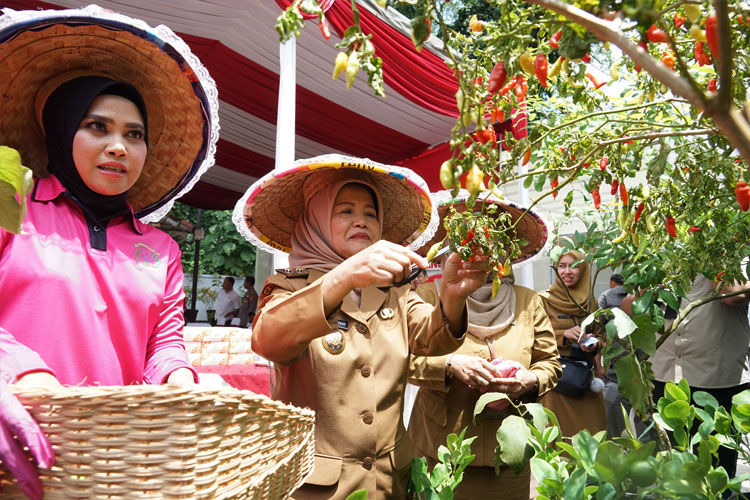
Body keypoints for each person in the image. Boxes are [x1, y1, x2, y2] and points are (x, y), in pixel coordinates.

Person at [0, 6, 219, 498]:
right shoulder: (11, 209)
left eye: (133, 134)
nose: (119, 146)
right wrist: (16, 370)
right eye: (98, 127)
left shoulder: (160, 249)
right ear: (59, 130)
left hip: (113, 463)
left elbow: (162, 347)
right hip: (12, 451)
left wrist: (185, 381)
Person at [233, 155, 489, 499]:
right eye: (345, 211)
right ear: (316, 221)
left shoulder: (393, 290)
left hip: (388, 481)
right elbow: (269, 340)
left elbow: (430, 341)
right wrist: (344, 276)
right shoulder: (289, 288)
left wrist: (453, 297)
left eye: (371, 213)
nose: (361, 221)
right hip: (314, 486)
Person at [407, 190, 560, 499]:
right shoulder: (426, 298)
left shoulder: (528, 301)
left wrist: (529, 380)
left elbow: (550, 364)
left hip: (509, 458)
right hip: (441, 456)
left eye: (491, 241)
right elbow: (402, 361)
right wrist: (449, 365)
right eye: (469, 242)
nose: (480, 252)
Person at [643, 271, 750, 479]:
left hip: (717, 379)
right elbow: (633, 308)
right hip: (665, 375)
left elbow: (735, 296)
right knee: (670, 470)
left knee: (716, 472)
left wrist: (710, 254)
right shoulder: (662, 259)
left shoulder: (733, 251)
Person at [539, 251, 608, 438]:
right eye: (562, 266)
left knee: (594, 435)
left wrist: (593, 344)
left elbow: (602, 337)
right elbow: (532, 338)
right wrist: (563, 335)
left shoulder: (591, 304)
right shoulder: (542, 300)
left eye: (574, 266)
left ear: (583, 270)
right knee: (557, 438)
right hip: (556, 381)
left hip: (585, 379)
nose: (567, 271)